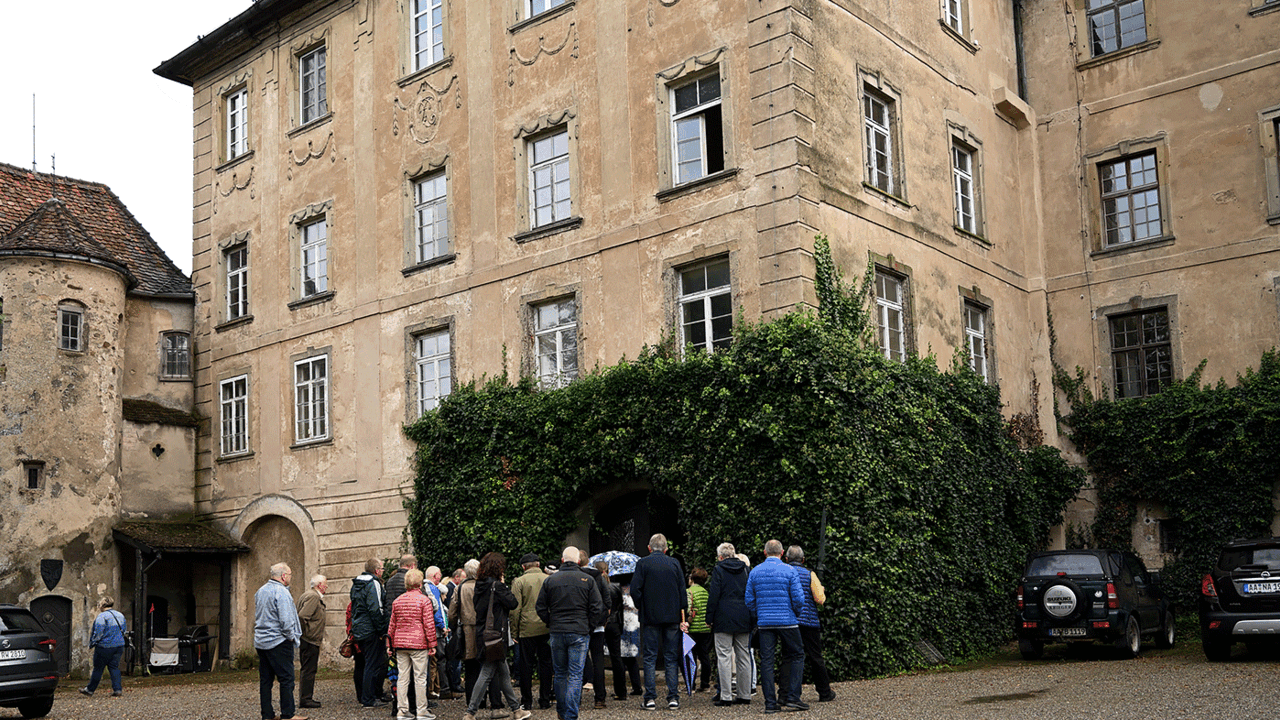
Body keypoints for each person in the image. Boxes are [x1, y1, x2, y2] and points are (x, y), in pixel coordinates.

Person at [536, 547, 604, 720]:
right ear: (579, 561)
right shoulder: (587, 580)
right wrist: (588, 626)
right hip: (579, 631)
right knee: (575, 674)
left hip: (558, 630)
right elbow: (597, 607)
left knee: (559, 673)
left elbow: (540, 607)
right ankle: (571, 715)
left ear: (562, 560)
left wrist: (550, 622)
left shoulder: (551, 580)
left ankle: (561, 710)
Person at [463, 552, 531, 720]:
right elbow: (513, 603)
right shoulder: (496, 586)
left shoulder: (479, 585)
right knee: (486, 673)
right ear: (497, 568)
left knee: (504, 673)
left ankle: (516, 710)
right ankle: (470, 713)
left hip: (483, 633)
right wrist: (503, 585)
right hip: (495, 636)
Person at [745, 540, 807, 713]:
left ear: (765, 553)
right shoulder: (790, 570)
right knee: (796, 655)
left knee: (767, 661)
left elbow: (749, 600)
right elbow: (799, 599)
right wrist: (795, 612)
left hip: (765, 623)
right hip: (788, 621)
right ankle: (793, 697)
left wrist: (761, 612)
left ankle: (770, 703)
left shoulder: (755, 572)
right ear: (782, 554)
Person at [630, 533, 688, 710]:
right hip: (671, 616)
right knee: (671, 657)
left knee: (649, 657)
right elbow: (681, 589)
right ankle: (673, 697)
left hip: (650, 617)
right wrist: (682, 613)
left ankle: (650, 698)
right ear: (666, 548)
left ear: (649, 548)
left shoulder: (643, 563)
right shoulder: (674, 563)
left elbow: (635, 589)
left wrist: (642, 606)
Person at [254, 563, 306, 720]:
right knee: (287, 678)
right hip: (278, 641)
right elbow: (285, 620)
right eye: (289, 574)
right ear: (284, 576)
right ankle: (288, 714)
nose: (290, 577)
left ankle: (267, 715)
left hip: (261, 641)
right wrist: (291, 636)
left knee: (266, 680)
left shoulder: (260, 591)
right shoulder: (281, 592)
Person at [783, 545, 835, 703]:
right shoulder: (809, 574)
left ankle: (785, 693)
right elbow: (820, 599)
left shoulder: (783, 574)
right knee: (815, 657)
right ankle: (824, 692)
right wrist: (822, 591)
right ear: (803, 559)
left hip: (789, 621)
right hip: (809, 621)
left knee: (788, 657)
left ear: (786, 559)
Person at [388, 569, 438, 720]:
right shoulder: (424, 600)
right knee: (420, 678)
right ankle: (421, 710)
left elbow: (392, 625)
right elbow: (429, 625)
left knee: (402, 677)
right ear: (420, 583)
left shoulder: (397, 601)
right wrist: (432, 644)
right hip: (419, 644)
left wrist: (389, 644)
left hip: (400, 644)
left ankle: (402, 711)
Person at [706, 543, 752, 706]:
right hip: (743, 616)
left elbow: (714, 595)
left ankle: (725, 695)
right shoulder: (746, 569)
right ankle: (745, 694)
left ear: (720, 556)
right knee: (744, 656)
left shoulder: (719, 570)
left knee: (724, 657)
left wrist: (709, 618)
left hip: (723, 617)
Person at [510, 552, 552, 711]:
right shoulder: (548, 579)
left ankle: (527, 701)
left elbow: (515, 610)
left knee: (526, 665)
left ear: (523, 567)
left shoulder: (519, 582)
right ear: (539, 565)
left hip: (526, 628)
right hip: (546, 626)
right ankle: (545, 699)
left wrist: (514, 632)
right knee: (546, 663)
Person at [351, 558, 389, 708]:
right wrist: (381, 629)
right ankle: (368, 699)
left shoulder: (356, 585)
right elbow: (376, 609)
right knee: (372, 665)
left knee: (365, 664)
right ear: (377, 570)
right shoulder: (374, 584)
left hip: (359, 628)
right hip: (371, 630)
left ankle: (365, 696)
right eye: (382, 569)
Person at [578, 549, 611, 710]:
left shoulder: (573, 576)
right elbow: (607, 600)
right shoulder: (597, 576)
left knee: (577, 661)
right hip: (597, 625)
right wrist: (602, 619)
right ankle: (600, 698)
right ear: (588, 561)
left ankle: (575, 698)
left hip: (580, 625)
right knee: (598, 662)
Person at [80, 596, 127, 697]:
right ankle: (118, 689)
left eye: (99, 604)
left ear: (102, 605)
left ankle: (90, 690)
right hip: (119, 645)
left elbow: (98, 633)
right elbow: (124, 630)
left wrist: (92, 643)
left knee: (98, 668)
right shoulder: (120, 615)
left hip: (105, 646)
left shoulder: (102, 617)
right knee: (114, 667)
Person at [598, 562, 628, 702]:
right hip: (615, 623)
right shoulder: (616, 587)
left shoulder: (596, 587)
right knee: (617, 657)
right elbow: (620, 608)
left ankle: (600, 693)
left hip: (600, 624)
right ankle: (621, 692)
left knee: (598, 658)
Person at [296, 575, 328, 709]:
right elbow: (302, 616)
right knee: (309, 669)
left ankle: (305, 697)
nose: (326, 587)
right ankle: (306, 699)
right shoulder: (314, 597)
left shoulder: (307, 595)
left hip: (308, 639)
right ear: (319, 585)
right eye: (325, 584)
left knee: (307, 669)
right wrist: (306, 632)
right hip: (310, 640)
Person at [423, 566, 449, 700]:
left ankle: (434, 689)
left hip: (429, 629)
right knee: (440, 659)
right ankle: (443, 689)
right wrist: (443, 626)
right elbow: (437, 610)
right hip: (436, 630)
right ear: (435, 576)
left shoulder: (424, 587)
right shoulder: (433, 588)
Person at [686, 567, 713, 692]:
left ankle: (691, 684)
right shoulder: (706, 593)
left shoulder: (689, 591)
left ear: (692, 578)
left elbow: (687, 609)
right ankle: (705, 684)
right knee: (704, 656)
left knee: (691, 657)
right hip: (705, 629)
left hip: (692, 629)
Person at [442, 568, 467, 695]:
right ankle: (455, 683)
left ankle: (455, 682)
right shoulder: (452, 589)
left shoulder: (451, 588)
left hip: (452, 626)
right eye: (463, 578)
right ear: (456, 578)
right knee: (455, 657)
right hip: (453, 627)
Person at [618, 582, 643, 697]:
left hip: (621, 623)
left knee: (620, 658)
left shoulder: (616, 588)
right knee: (631, 658)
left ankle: (621, 689)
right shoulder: (635, 589)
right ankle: (637, 686)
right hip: (633, 623)